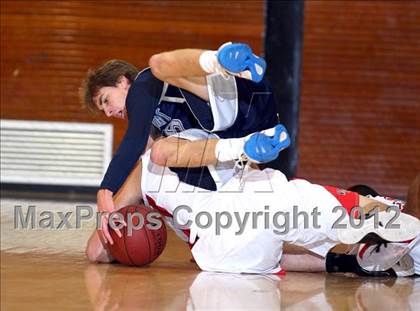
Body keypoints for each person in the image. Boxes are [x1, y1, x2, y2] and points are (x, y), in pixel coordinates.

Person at [85, 127, 420, 275]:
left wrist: (122, 231)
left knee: (289, 244)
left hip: (220, 258)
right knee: (316, 211)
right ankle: (385, 234)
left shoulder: (143, 177)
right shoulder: (190, 141)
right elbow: (162, 151)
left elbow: (95, 251)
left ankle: (363, 252)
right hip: (254, 201)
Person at [79, 42, 279, 245]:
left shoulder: (144, 84)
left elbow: (133, 141)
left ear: (122, 82)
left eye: (105, 101)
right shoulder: (153, 127)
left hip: (235, 97)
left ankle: (222, 61)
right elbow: (139, 161)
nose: (108, 112)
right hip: (244, 128)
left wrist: (106, 190)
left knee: (158, 64)